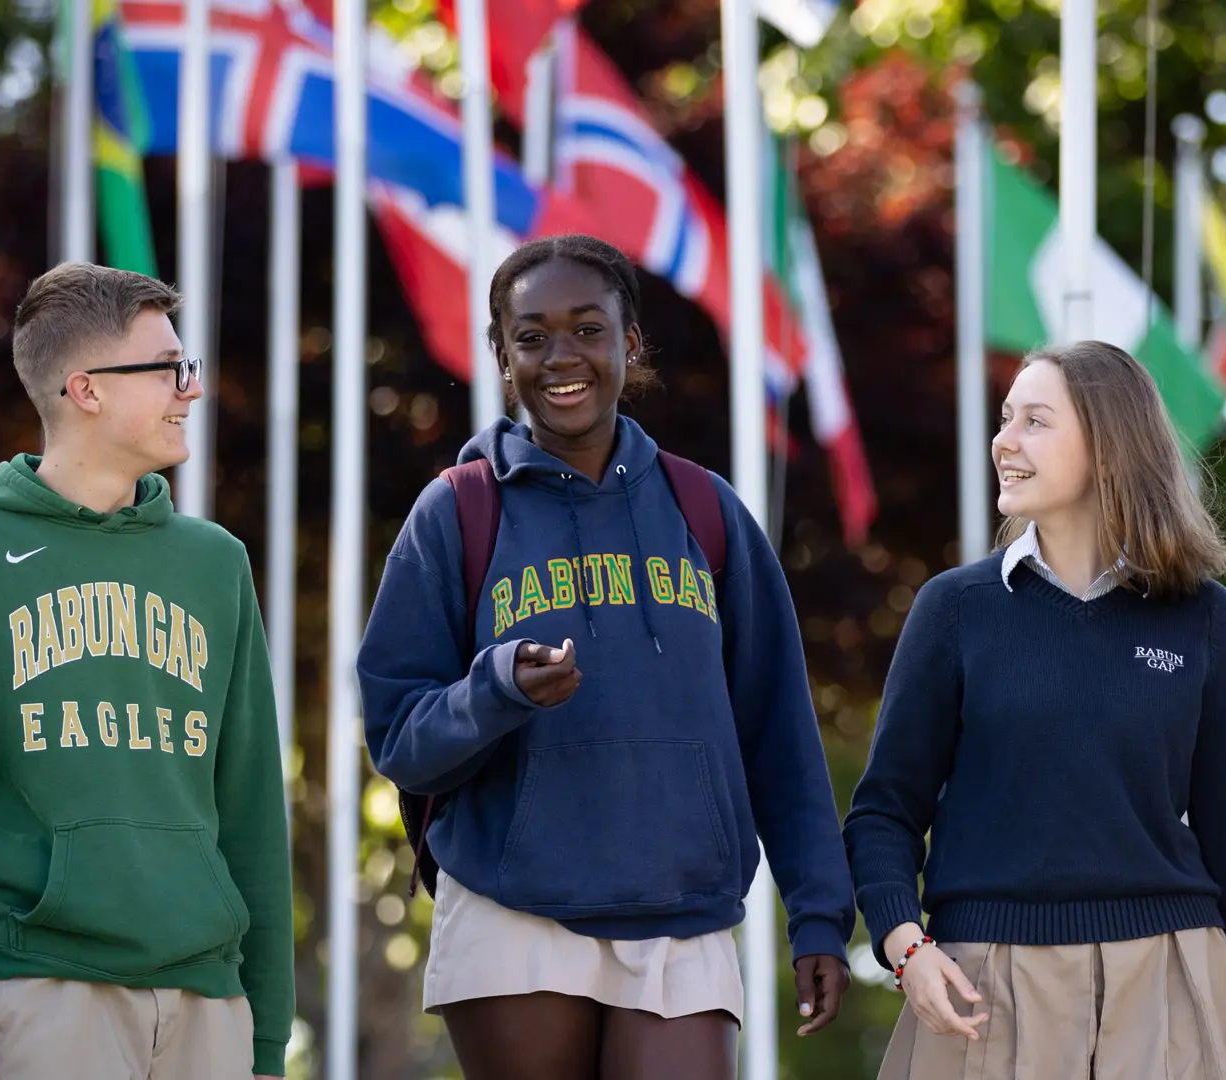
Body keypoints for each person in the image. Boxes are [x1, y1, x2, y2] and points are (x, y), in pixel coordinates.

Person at [358, 234, 855, 1080]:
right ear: (501, 355)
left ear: (630, 341)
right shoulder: (456, 513)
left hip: (683, 909)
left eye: (588, 330)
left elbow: (779, 732)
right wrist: (498, 689)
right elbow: (399, 739)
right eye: (531, 337)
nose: (562, 357)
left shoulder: (707, 512)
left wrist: (818, 913)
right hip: (512, 910)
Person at [0, 262, 294, 1080]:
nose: (192, 389)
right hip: (41, 991)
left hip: (211, 1004)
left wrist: (267, 1044)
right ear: (87, 389)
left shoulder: (215, 563)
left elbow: (249, 810)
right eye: (167, 368)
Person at [844, 340, 1226, 1079]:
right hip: (985, 989)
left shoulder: (1202, 616)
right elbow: (883, 814)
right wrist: (907, 948)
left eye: (1034, 421)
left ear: (1108, 445)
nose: (1004, 441)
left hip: (1170, 983)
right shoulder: (955, 609)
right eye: (1006, 419)